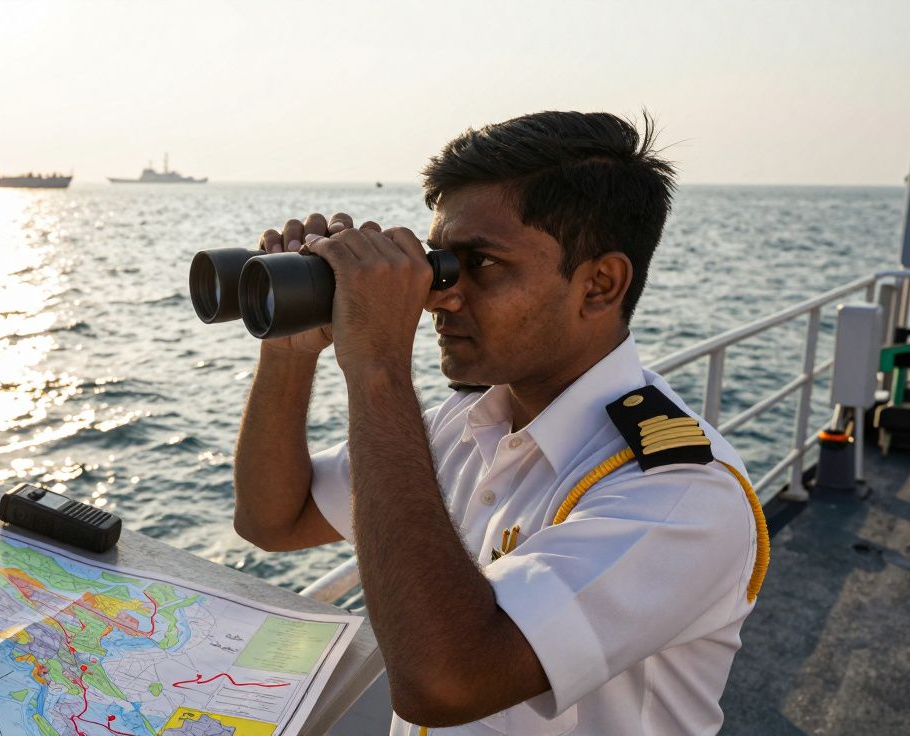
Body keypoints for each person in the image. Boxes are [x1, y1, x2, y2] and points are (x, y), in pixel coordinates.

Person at [231, 111, 766, 735]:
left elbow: (444, 682)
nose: (440, 295)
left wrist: (377, 366)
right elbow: (274, 518)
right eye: (440, 263)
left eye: (479, 264)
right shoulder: (466, 421)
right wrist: (289, 351)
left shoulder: (682, 497)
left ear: (599, 284)